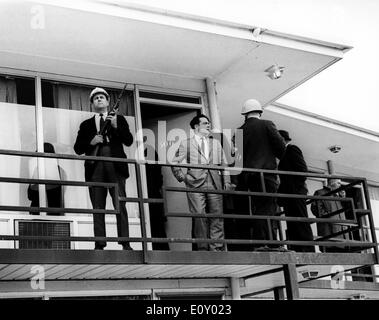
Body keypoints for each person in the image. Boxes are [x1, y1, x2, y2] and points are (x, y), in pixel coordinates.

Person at [74, 87, 133, 250]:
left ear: (108, 102)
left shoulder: (119, 119)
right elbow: (78, 148)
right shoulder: (86, 125)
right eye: (96, 98)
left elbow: (128, 141)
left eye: (102, 97)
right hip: (96, 166)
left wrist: (115, 126)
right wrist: (91, 142)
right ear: (92, 104)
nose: (99, 99)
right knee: (98, 206)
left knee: (120, 204)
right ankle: (99, 243)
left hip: (115, 165)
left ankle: (125, 242)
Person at [171, 114, 231, 251]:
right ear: (196, 126)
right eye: (205, 123)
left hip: (215, 182)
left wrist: (226, 180)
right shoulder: (186, 143)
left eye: (209, 123)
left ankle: (216, 248)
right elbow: (175, 163)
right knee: (199, 215)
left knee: (217, 215)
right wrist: (183, 177)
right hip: (195, 184)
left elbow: (224, 163)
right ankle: (203, 248)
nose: (208, 125)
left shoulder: (215, 143)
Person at [235, 99, 286, 251]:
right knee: (268, 207)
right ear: (260, 111)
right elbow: (281, 148)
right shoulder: (267, 124)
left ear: (245, 114)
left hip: (249, 177)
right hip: (267, 174)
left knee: (259, 207)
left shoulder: (239, 131)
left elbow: (237, 159)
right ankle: (265, 242)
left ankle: (263, 242)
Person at [277, 130, 315, 252]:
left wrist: (294, 190)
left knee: (300, 220)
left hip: (295, 193)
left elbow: (302, 171)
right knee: (293, 222)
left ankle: (307, 249)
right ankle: (298, 248)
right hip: (290, 194)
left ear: (283, 140)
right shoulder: (283, 154)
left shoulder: (292, 149)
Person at [144, 136, 169, 250]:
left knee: (155, 223)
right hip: (153, 191)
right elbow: (158, 176)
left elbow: (157, 176)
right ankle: (161, 250)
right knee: (157, 224)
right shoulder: (149, 151)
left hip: (150, 192)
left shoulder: (148, 151)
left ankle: (159, 249)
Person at [28, 142, 66, 215]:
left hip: (41, 211)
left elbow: (30, 195)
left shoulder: (39, 170)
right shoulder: (59, 171)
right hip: (52, 211)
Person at [311, 178, 348, 252]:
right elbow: (315, 209)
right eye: (338, 183)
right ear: (332, 183)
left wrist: (343, 198)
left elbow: (346, 210)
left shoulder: (337, 195)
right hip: (329, 232)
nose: (340, 185)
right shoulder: (320, 193)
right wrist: (330, 217)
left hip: (342, 235)